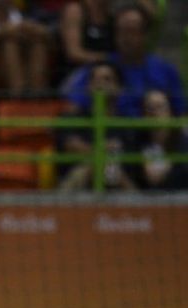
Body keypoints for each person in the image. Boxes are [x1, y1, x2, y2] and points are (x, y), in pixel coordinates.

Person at [63, 4, 185, 117]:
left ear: (145, 35)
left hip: (149, 133)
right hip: (110, 134)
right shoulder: (100, 68)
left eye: (132, 31)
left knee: (156, 100)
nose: (126, 38)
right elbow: (73, 106)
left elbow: (182, 113)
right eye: (121, 31)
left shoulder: (166, 71)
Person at [57, 61, 138, 191]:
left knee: (112, 170)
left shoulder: (128, 126)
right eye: (95, 79)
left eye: (107, 79)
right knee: (93, 165)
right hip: (77, 192)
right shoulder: (72, 118)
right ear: (88, 87)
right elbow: (71, 146)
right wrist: (103, 150)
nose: (100, 84)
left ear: (119, 88)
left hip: (117, 187)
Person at [137, 90, 188, 190]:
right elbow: (153, 179)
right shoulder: (137, 142)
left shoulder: (184, 140)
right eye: (149, 108)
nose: (154, 112)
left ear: (170, 111)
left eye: (159, 106)